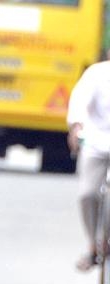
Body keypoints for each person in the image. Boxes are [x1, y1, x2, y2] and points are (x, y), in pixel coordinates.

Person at [66, 52, 110, 271]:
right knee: (87, 194)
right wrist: (76, 126)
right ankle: (93, 245)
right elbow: (79, 101)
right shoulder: (96, 74)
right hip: (95, 143)